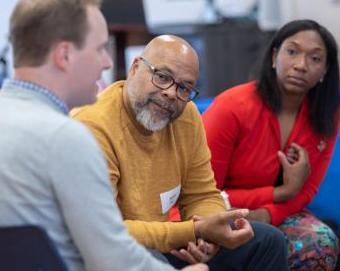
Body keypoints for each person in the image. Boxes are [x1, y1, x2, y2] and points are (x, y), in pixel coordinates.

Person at [0, 0, 208, 271]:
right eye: (99, 48)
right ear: (65, 55)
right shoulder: (66, 137)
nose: (107, 62)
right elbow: (111, 258)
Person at [72, 34, 289, 271]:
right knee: (153, 260)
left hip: (168, 238)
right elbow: (105, 231)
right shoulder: (93, 126)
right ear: (135, 68)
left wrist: (209, 237)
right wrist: (194, 230)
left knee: (268, 241)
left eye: (184, 87)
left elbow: (201, 194)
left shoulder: (186, 116)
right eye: (162, 77)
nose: (171, 93)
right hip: (110, 252)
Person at [203, 19, 340, 271]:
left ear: (325, 71)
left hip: (278, 214)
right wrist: (280, 193)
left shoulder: (327, 114)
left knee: (320, 241)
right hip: (219, 213)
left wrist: (268, 214)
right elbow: (203, 193)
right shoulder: (232, 107)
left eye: (315, 59)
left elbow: (307, 190)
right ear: (274, 56)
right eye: (292, 51)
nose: (301, 65)